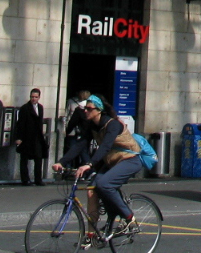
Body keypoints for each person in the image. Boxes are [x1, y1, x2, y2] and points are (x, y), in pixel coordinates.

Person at [52, 95, 142, 239]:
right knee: (91, 191)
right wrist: (61, 162)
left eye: (89, 109)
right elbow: (80, 145)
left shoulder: (112, 125)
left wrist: (89, 164)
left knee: (104, 184)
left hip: (129, 160)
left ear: (98, 110)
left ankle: (129, 218)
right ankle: (91, 234)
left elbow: (105, 146)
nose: (85, 111)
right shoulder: (92, 126)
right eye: (85, 109)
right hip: (112, 162)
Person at [15, 88, 49, 186]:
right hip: (27, 136)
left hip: (37, 136)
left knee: (38, 157)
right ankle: (25, 180)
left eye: (36, 97)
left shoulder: (40, 107)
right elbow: (20, 124)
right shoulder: (25, 108)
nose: (34, 99)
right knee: (24, 158)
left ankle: (38, 179)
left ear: (39, 97)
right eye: (32, 97)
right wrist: (19, 137)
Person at [62, 90, 90, 161]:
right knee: (83, 150)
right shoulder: (72, 102)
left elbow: (72, 121)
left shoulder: (80, 108)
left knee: (76, 150)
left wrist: (67, 130)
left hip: (80, 131)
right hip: (82, 132)